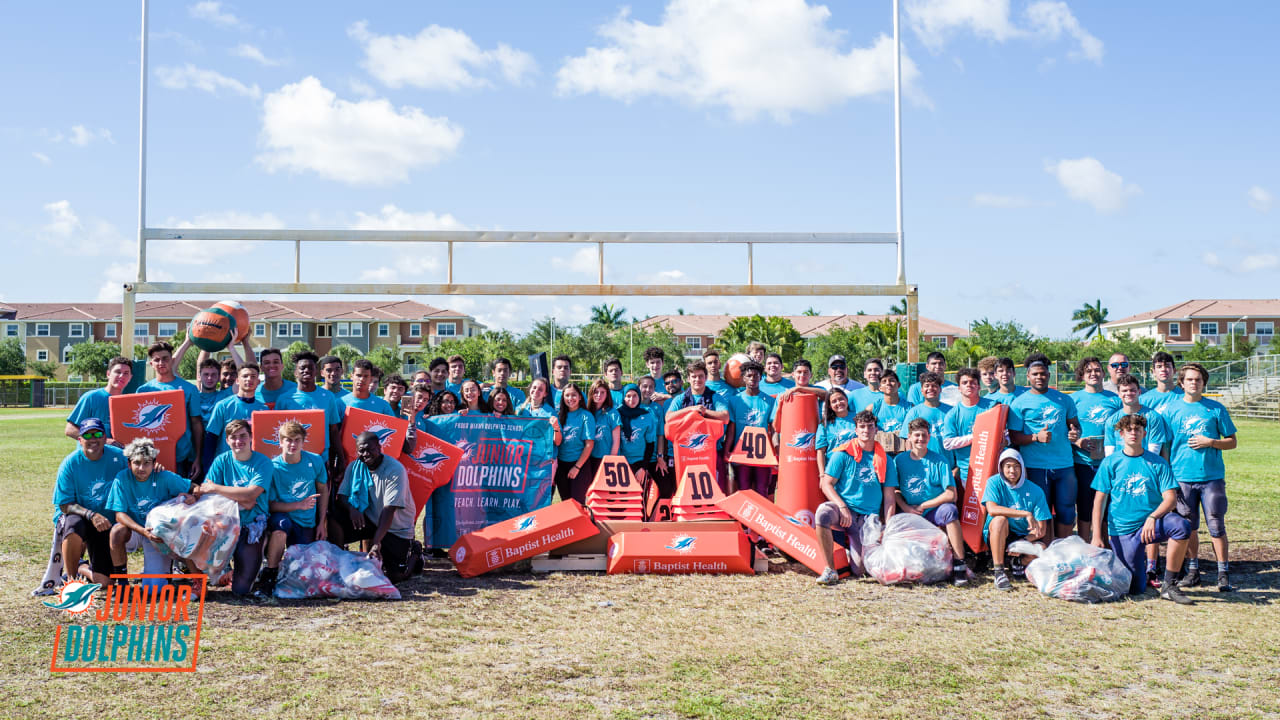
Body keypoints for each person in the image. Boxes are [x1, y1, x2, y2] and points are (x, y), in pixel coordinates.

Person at [1090, 414, 1193, 604]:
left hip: (1151, 524)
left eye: (1137, 429)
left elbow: (1170, 499)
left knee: (1181, 526)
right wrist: (1097, 535)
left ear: (1144, 433)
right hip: (1123, 529)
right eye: (1128, 430)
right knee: (1134, 588)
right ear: (1121, 434)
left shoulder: (1157, 462)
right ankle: (1140, 571)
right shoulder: (1110, 463)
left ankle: (1169, 585)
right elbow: (1099, 501)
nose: (1133, 433)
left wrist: (1153, 517)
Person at [1164, 362, 1239, 592]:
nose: (1194, 383)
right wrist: (1168, 475)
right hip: (1182, 477)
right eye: (1189, 379)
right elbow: (1166, 446)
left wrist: (1211, 442)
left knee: (1216, 524)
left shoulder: (1215, 409)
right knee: (1188, 526)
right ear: (1182, 382)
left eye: (1198, 379)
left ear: (1204, 382)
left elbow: (1232, 441)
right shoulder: (1170, 410)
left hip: (1211, 476)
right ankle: (1193, 569)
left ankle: (1223, 572)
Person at [814, 410, 897, 585]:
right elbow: (826, 484)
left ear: (876, 430)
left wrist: (887, 527)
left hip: (868, 518)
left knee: (860, 570)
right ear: (856, 430)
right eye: (862, 427)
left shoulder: (886, 459)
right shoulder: (842, 454)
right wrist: (842, 506)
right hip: (845, 511)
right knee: (823, 513)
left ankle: (847, 554)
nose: (866, 430)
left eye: (870, 426)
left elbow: (890, 497)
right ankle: (830, 569)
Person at [328, 431, 422, 584]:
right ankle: (337, 562)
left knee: (394, 577)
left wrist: (376, 542)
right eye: (361, 450)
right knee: (334, 516)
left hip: (395, 528)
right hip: (370, 520)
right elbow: (342, 496)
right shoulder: (355, 466)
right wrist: (353, 509)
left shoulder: (394, 470)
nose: (365, 454)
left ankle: (416, 552)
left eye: (369, 449)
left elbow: (388, 510)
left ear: (379, 447)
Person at [1008, 354, 1081, 539]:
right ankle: (1046, 551)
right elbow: (1014, 437)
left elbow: (1075, 425)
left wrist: (1075, 433)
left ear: (1049, 375)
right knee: (1042, 511)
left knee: (1067, 511)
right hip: (1035, 466)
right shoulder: (1019, 403)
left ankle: (1063, 550)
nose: (1039, 377)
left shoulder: (1064, 399)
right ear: (1028, 377)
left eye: (1043, 374)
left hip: (1064, 465)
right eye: (1035, 374)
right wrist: (1035, 437)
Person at [888, 418, 968, 585]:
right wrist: (906, 507)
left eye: (924, 435)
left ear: (929, 437)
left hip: (933, 510)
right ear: (909, 437)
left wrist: (924, 505)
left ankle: (960, 564)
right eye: (916, 435)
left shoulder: (939, 461)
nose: (920, 439)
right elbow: (894, 491)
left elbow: (951, 494)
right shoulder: (899, 461)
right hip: (910, 512)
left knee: (950, 511)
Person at [199, 418, 273, 596]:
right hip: (224, 524)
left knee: (240, 591)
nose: (238, 441)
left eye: (243, 436)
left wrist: (217, 488)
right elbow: (205, 492)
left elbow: (251, 495)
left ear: (251, 437)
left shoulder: (263, 462)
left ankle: (258, 554)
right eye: (233, 437)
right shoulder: (221, 461)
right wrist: (243, 498)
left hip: (251, 524)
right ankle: (219, 569)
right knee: (194, 525)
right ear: (227, 440)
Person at [106, 438, 196, 584]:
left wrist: (193, 497)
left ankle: (165, 569)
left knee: (155, 588)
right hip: (135, 530)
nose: (141, 468)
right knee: (116, 531)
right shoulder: (122, 478)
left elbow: (194, 487)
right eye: (136, 463)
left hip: (157, 533)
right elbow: (119, 515)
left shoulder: (164, 476)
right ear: (129, 464)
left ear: (154, 463)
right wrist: (142, 531)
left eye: (146, 463)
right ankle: (122, 582)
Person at [255, 420, 327, 597]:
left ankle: (284, 572)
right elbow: (269, 505)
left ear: (303, 442)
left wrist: (321, 522)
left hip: (306, 521)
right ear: (280, 442)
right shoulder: (272, 467)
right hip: (283, 516)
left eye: (297, 440)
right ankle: (270, 573)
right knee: (280, 527)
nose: (292, 444)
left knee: (300, 576)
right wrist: (298, 505)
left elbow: (323, 490)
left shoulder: (315, 461)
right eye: (288, 440)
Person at [52, 418, 127, 585]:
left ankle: (81, 567)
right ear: (80, 440)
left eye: (98, 434)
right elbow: (65, 504)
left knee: (104, 583)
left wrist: (156, 466)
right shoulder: (70, 463)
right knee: (73, 524)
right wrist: (91, 515)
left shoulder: (119, 457)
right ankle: (71, 582)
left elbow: (140, 469)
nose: (93, 439)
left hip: (106, 523)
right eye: (87, 435)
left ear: (105, 437)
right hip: (80, 516)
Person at [982, 448, 1053, 591]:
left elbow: (1041, 530)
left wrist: (1023, 542)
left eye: (1016, 466)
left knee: (1042, 549)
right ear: (1001, 468)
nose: (1012, 471)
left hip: (1022, 537)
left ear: (1022, 468)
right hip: (999, 534)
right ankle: (999, 571)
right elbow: (992, 509)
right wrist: (1024, 513)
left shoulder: (1036, 490)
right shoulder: (994, 482)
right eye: (1008, 466)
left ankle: (1017, 561)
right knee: (999, 520)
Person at [1069, 357, 1120, 541]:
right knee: (1084, 506)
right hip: (1083, 462)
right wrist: (1077, 442)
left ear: (1103, 373)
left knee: (1107, 507)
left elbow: (1122, 428)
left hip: (1109, 463)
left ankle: (1104, 546)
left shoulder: (1115, 399)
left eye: (1097, 370)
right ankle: (1084, 545)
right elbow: (1066, 431)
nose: (1093, 374)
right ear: (1082, 375)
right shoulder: (1073, 399)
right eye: (1089, 371)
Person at [138, 340, 204, 478]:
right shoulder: (143, 390)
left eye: (165, 358)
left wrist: (198, 457)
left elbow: (196, 424)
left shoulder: (189, 389)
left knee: (180, 497)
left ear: (172, 360)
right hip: (151, 457)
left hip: (182, 456)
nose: (161, 363)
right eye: (156, 360)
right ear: (151, 364)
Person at [276, 351, 345, 479]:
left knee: (322, 496)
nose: (306, 370)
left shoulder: (328, 397)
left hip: (320, 459)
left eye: (310, 368)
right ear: (295, 372)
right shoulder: (284, 399)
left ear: (316, 372)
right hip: (292, 460)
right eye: (302, 368)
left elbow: (333, 430)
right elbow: (277, 434)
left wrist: (340, 459)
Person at [666, 359, 732, 492]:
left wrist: (704, 411)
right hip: (687, 454)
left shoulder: (715, 397)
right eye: (694, 376)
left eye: (701, 376)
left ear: (706, 378)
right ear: (688, 379)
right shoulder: (680, 399)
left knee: (715, 490)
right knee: (687, 491)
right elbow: (668, 418)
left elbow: (725, 417)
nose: (697, 379)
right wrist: (690, 410)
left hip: (711, 452)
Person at [941, 368, 995, 488]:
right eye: (965, 383)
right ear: (959, 388)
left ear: (979, 386)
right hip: (968, 470)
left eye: (972, 382)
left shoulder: (992, 406)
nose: (969, 385)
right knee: (975, 506)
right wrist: (975, 437)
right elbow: (948, 443)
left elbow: (1004, 434)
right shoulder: (953, 414)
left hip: (993, 467)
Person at [727, 360, 775, 495]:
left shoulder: (770, 401)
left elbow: (773, 430)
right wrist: (727, 450)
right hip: (741, 452)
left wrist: (775, 451)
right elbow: (731, 429)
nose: (752, 378)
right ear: (743, 378)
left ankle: (763, 516)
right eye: (749, 376)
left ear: (761, 377)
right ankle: (743, 517)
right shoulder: (735, 400)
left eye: (756, 375)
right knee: (744, 489)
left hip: (763, 454)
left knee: (762, 490)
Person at [205, 364, 269, 457]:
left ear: (258, 381)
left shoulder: (264, 410)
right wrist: (208, 468)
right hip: (228, 464)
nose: (249, 379)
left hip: (253, 465)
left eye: (253, 376)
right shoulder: (223, 406)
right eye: (245, 376)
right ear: (237, 380)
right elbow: (211, 438)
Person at [65, 355, 132, 442]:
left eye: (126, 373)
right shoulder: (91, 397)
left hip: (116, 454)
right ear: (108, 374)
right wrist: (103, 441)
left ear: (130, 377)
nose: (121, 376)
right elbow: (70, 430)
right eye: (118, 372)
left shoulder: (128, 402)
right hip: (91, 454)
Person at [1104, 375, 1171, 458]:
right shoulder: (1112, 420)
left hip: (1146, 466)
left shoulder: (1153, 417)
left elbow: (1154, 453)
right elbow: (1110, 454)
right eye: (1124, 391)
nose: (1128, 393)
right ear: (1119, 394)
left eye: (1132, 390)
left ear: (1139, 392)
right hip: (1121, 468)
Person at [898, 372, 953, 463]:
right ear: (922, 390)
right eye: (927, 386)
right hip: (922, 465)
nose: (930, 388)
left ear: (940, 389)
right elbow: (908, 441)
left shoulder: (951, 412)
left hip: (948, 464)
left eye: (934, 385)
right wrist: (913, 463)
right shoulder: (914, 412)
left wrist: (957, 468)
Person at [554, 383, 595, 503]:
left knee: (577, 504)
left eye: (573, 395)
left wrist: (577, 467)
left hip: (579, 465)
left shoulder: (585, 416)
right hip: (561, 466)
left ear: (580, 397)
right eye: (567, 395)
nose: (570, 398)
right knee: (566, 504)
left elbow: (589, 444)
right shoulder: (559, 415)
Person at [639, 375, 672, 497]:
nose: (647, 390)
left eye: (651, 387)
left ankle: (657, 515)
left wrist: (660, 457)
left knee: (666, 488)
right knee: (639, 492)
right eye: (644, 386)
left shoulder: (657, 408)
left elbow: (660, 435)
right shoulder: (632, 406)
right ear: (639, 387)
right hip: (638, 458)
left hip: (654, 458)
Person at [617, 384, 657, 478]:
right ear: (623, 397)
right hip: (621, 461)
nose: (632, 399)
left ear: (639, 396)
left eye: (635, 396)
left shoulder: (647, 415)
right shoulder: (617, 414)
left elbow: (650, 444)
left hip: (640, 462)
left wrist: (643, 468)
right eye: (628, 396)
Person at [586, 380, 621, 487]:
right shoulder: (587, 413)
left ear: (607, 394)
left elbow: (616, 441)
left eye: (602, 392)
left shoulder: (612, 413)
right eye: (596, 392)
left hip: (607, 458)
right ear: (591, 394)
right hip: (590, 458)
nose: (599, 395)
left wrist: (610, 461)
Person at [816, 388, 857, 477]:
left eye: (841, 399)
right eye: (834, 401)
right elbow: (820, 452)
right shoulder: (825, 424)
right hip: (834, 470)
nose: (838, 403)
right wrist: (822, 475)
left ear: (846, 399)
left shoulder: (858, 418)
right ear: (830, 406)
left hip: (856, 466)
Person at [872, 372, 912, 438]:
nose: (888, 383)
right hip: (880, 446)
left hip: (904, 446)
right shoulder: (874, 408)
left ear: (898, 385)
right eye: (884, 381)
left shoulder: (909, 407)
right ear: (880, 387)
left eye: (892, 380)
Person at [196, 357, 232, 428]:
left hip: (217, 438)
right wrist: (187, 345)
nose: (209, 378)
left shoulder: (225, 395)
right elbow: (172, 369)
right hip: (195, 438)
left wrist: (231, 347)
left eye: (213, 374)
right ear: (199, 376)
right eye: (206, 374)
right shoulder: (192, 395)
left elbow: (245, 370)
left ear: (219, 377)